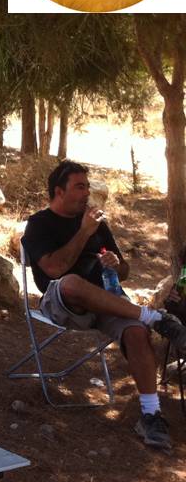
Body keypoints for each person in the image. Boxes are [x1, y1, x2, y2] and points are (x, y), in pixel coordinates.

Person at [21, 160, 186, 452]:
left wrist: (115, 263)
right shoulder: (40, 224)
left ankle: (150, 414)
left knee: (136, 331)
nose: (87, 192)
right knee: (71, 283)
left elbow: (124, 272)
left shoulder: (98, 224)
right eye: (79, 187)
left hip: (107, 301)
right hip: (63, 303)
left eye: (87, 186)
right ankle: (153, 317)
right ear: (59, 191)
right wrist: (84, 232)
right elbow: (54, 269)